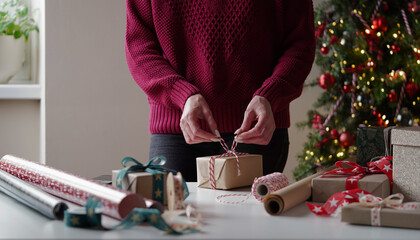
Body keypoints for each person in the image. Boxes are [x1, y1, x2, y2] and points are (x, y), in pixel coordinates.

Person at [125, 0, 316, 181]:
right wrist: (181, 94)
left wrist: (270, 94)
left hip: (256, 125)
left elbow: (300, 44)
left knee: (248, 215)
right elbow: (138, 46)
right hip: (176, 126)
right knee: (171, 212)